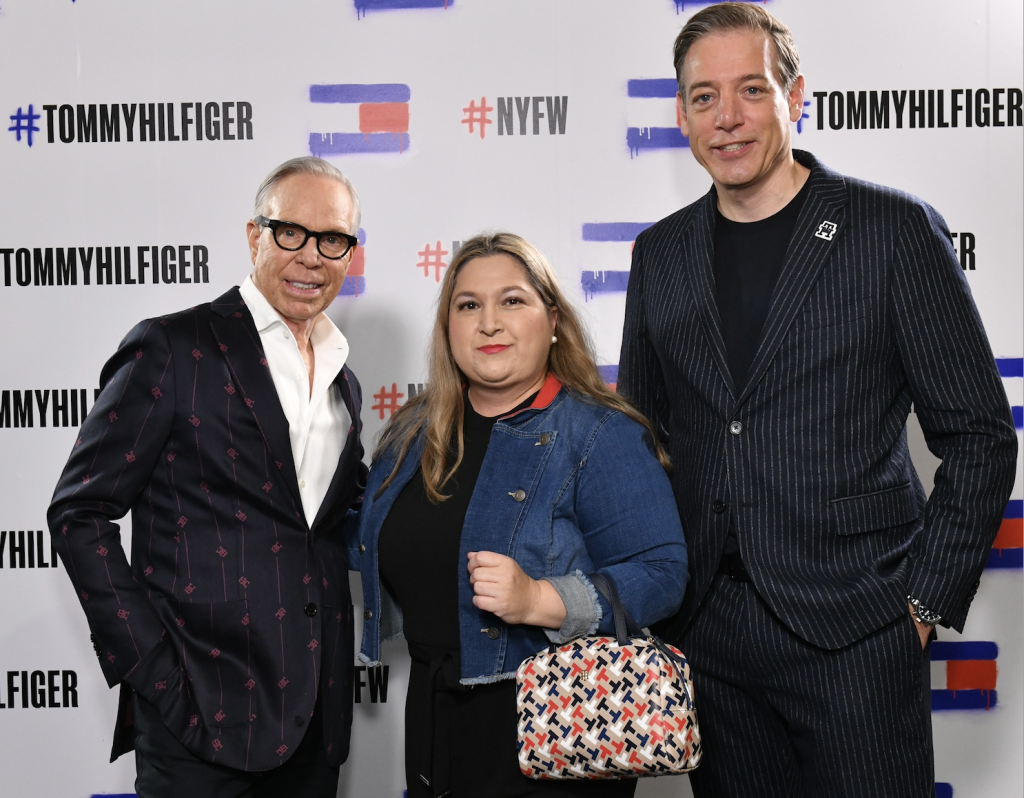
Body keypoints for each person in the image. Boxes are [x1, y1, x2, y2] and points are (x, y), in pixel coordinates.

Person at [618, 5, 1018, 797]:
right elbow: (645, 438)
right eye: (703, 97)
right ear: (680, 113)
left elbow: (980, 435)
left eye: (750, 91)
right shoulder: (658, 253)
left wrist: (919, 605)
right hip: (711, 637)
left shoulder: (891, 229)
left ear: (795, 95)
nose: (726, 118)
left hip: (858, 631)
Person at [47, 156, 368, 797]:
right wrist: (154, 668)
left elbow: (328, 521)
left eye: (332, 239)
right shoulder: (173, 348)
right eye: (290, 232)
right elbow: (80, 513)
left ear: (349, 252)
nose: (311, 256)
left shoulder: (343, 378)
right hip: (199, 716)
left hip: (315, 724)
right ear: (254, 236)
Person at [354, 232, 688, 798]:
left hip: (557, 724)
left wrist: (541, 599)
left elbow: (662, 573)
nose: (489, 323)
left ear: (552, 319)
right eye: (468, 305)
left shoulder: (598, 432)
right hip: (434, 719)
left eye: (512, 300)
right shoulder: (414, 432)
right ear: (449, 327)